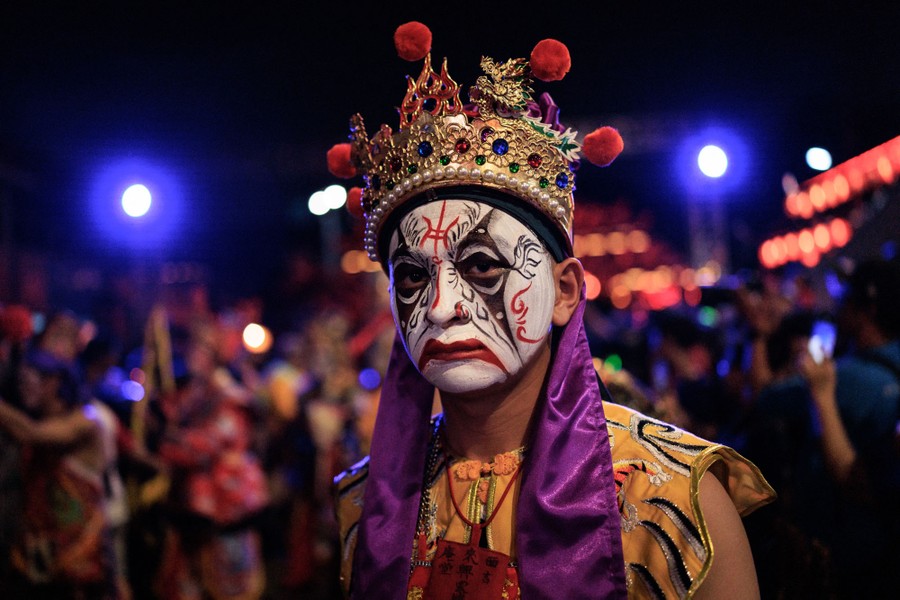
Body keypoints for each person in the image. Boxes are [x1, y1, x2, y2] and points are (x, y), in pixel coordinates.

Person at [329, 22, 774, 598]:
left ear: (566, 291)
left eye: (483, 267)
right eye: (413, 276)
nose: (440, 307)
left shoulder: (667, 498)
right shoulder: (364, 505)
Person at [798, 258, 900, 598]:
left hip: (864, 568)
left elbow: (857, 481)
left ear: (865, 309)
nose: (839, 309)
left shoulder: (853, 377)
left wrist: (821, 393)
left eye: (846, 300)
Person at [0, 348, 117, 599]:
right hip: (39, 549)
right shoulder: (37, 419)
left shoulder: (84, 421)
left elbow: (32, 433)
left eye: (29, 380)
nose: (24, 388)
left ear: (54, 383)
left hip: (77, 552)